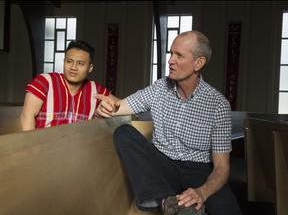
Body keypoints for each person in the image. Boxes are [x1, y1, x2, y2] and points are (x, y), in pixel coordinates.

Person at [95, 31, 242, 215]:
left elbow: (222, 167)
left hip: (198, 171)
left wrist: (202, 192)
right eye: (171, 53)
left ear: (199, 63)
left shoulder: (218, 104)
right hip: (162, 164)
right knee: (124, 132)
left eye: (179, 55)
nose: (170, 60)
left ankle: (176, 202)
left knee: (228, 209)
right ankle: (166, 201)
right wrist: (106, 108)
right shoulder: (159, 88)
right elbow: (120, 106)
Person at [21, 40, 118, 131]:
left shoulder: (95, 90)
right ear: (64, 61)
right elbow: (27, 116)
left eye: (80, 64)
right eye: (69, 61)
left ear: (90, 68)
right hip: (43, 146)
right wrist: (32, 149)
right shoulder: (44, 82)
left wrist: (102, 112)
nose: (73, 67)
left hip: (79, 146)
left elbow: (121, 105)